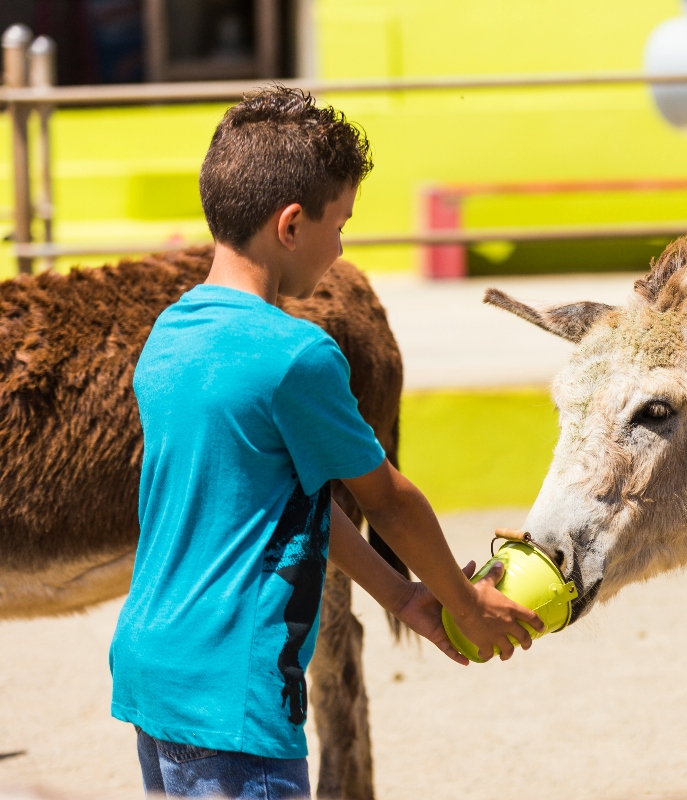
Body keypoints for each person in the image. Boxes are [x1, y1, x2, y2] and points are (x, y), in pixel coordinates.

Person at [109, 86, 543, 800]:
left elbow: (285, 501)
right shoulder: (294, 355)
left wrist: (404, 597)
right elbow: (391, 503)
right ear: (290, 225)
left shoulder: (171, 334)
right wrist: (465, 604)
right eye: (339, 222)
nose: (342, 245)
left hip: (156, 672)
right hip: (236, 696)